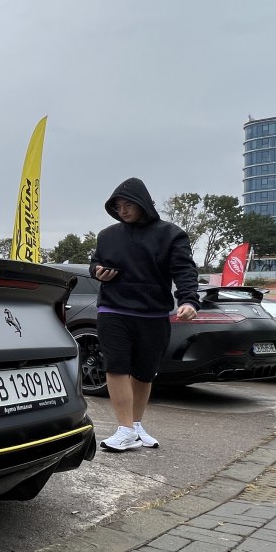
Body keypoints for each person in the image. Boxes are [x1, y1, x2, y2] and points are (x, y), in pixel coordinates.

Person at [89, 178, 199, 452]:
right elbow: (95, 263)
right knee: (116, 367)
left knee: (144, 373)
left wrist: (189, 300)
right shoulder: (107, 235)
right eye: (118, 206)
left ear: (143, 204)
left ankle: (135, 425)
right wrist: (97, 272)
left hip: (153, 314)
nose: (123, 210)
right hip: (113, 309)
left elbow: (184, 270)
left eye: (128, 204)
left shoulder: (171, 234)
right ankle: (124, 428)